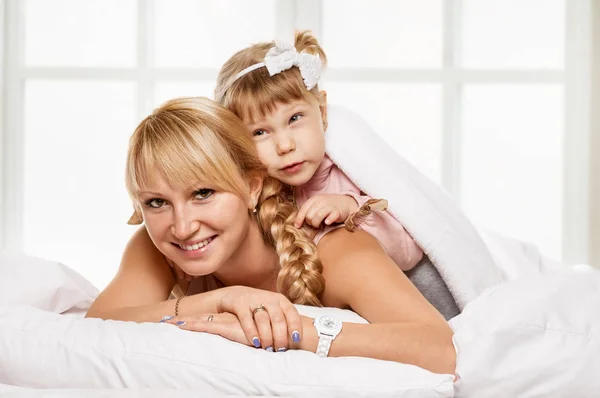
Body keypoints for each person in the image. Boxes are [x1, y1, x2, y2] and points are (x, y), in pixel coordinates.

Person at [86, 97, 455, 374]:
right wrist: (223, 301)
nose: (182, 227)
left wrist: (292, 330)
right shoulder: (157, 245)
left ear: (252, 187)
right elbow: (98, 326)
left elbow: (441, 349)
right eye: (156, 202)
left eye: (203, 194)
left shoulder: (335, 246)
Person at [213, 30, 423, 272]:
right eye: (260, 132)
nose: (284, 145)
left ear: (322, 111)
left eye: (294, 118)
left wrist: (351, 209)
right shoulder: (251, 196)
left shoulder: (350, 174)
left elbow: (410, 251)